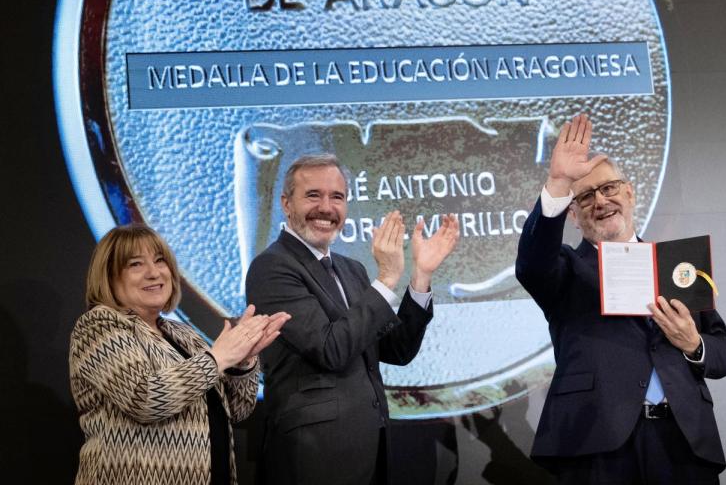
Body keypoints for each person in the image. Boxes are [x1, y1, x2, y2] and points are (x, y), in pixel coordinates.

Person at [515, 114, 726, 484]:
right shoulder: (565, 269)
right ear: (572, 214)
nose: (600, 201)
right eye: (585, 197)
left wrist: (693, 344)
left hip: (684, 444)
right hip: (598, 444)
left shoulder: (678, 266)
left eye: (608, 188)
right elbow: (531, 263)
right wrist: (558, 184)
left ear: (630, 193)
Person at [245, 153, 460, 485]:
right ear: (286, 204)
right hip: (313, 455)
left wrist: (421, 277)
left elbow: (397, 350)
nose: (327, 208)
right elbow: (330, 349)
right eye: (313, 195)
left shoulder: (352, 270)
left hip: (370, 445)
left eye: (337, 197)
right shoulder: (272, 268)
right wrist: (387, 278)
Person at [69, 224, 290, 485]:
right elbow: (144, 398)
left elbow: (236, 410)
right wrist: (218, 357)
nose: (154, 273)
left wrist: (241, 361)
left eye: (160, 261)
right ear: (108, 276)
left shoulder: (183, 335)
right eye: (136, 264)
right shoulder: (98, 326)